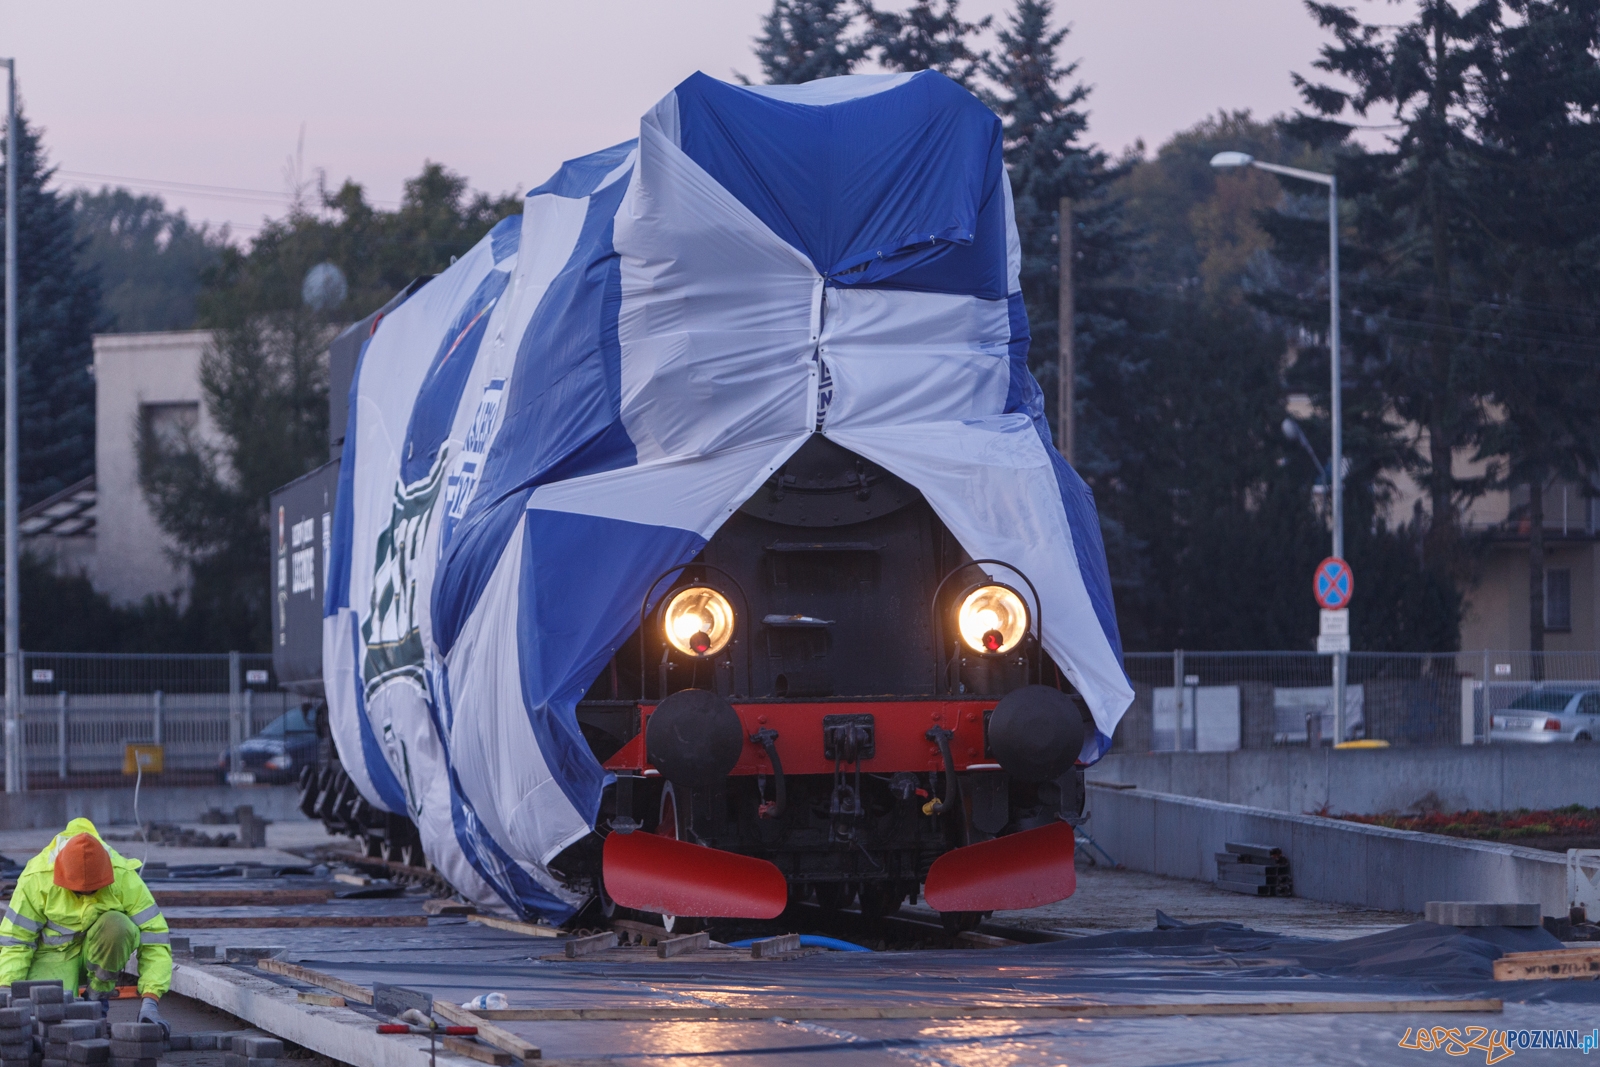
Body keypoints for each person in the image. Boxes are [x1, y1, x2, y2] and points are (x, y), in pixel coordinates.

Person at [0, 819, 171, 1033]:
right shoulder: (36, 879)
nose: (86, 895)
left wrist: (150, 1001)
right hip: (53, 957)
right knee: (49, 1019)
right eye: (78, 892)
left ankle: (96, 1000)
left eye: (93, 890)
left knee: (118, 926)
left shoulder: (122, 876)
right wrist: (6, 992)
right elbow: (17, 940)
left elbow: (154, 936)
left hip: (98, 955)